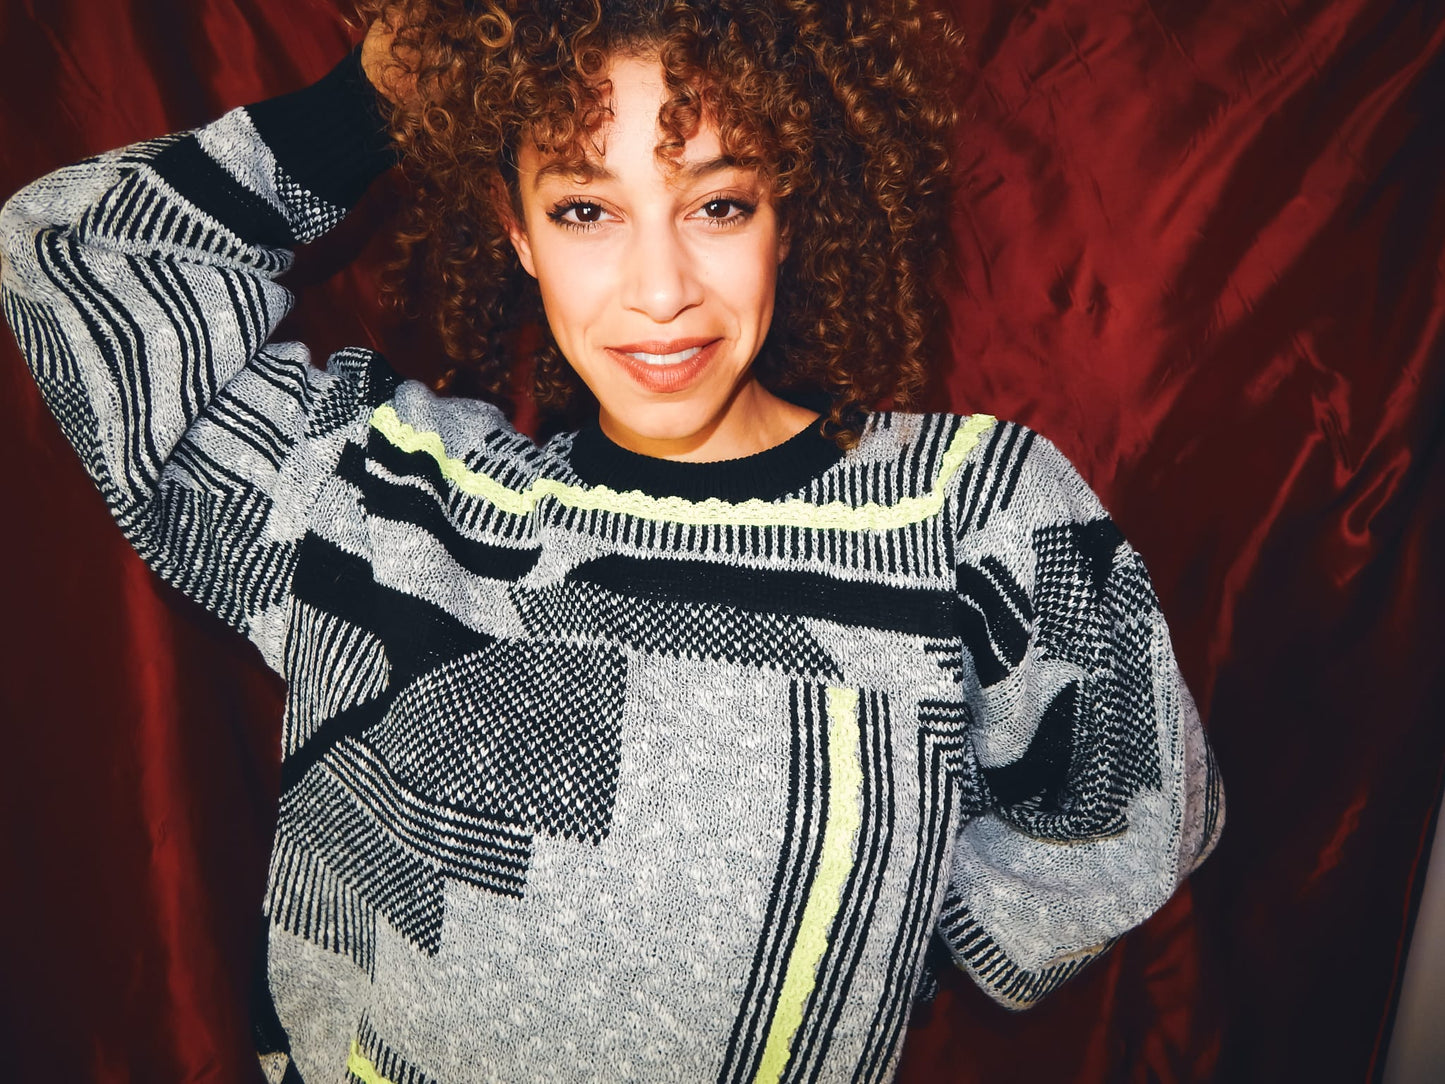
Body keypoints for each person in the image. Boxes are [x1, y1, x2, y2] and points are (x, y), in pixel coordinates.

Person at [0, 0, 1223, 1080]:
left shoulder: (970, 515)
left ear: (787, 211)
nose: (659, 289)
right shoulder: (388, 500)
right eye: (586, 209)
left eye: (718, 204)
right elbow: (74, 259)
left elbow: (1129, 811)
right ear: (516, 231)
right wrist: (368, 104)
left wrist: (874, 938)